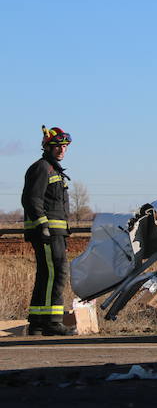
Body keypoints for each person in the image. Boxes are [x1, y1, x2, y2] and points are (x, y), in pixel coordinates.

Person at [21, 126, 76, 336]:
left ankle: (37, 322)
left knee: (46, 275)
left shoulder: (54, 170)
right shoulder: (42, 168)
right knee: (58, 273)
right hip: (47, 233)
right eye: (57, 147)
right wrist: (43, 225)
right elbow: (31, 199)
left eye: (64, 147)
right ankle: (52, 322)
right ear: (47, 147)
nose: (62, 150)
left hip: (56, 233)